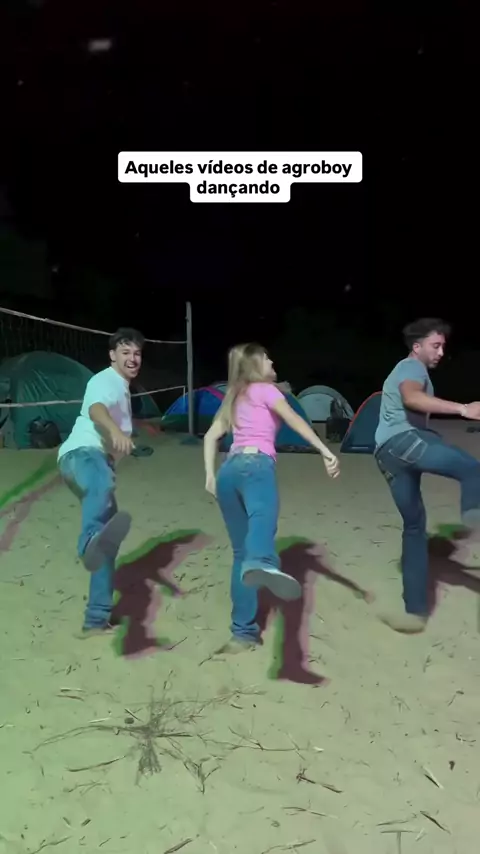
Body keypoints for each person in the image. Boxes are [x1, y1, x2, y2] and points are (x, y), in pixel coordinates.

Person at [203, 342, 340, 653]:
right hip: (256, 466)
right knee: (263, 523)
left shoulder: (234, 397)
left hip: (228, 473)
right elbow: (294, 420)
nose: (272, 361)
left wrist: (210, 475)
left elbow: (211, 436)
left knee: (241, 556)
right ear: (254, 365)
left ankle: (242, 633)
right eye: (266, 359)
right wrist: (324, 450)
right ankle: (262, 560)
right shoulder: (266, 390)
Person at [374, 318, 480, 633]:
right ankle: (474, 518)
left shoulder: (406, 369)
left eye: (443, 346)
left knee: (414, 529)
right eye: (436, 345)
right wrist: (464, 409)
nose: (441, 352)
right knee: (472, 469)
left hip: (386, 455)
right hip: (404, 442)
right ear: (417, 346)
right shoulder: (411, 367)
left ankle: (414, 612)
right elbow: (412, 397)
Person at [58, 327, 144, 636]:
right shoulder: (104, 380)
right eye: (125, 352)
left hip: (95, 463)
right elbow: (96, 410)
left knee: (106, 544)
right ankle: (87, 545)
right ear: (112, 356)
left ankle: (96, 619)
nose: (132, 358)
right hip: (82, 456)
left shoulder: (123, 390)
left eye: (137, 353)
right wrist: (116, 432)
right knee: (102, 493)